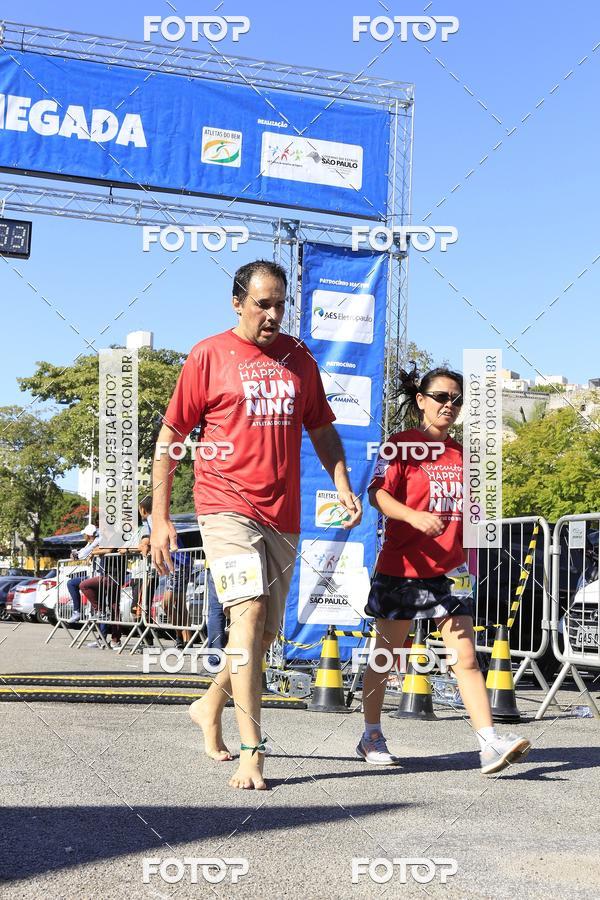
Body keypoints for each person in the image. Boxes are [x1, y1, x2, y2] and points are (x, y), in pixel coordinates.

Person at [152, 259, 362, 789]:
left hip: (282, 514)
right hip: (224, 504)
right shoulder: (208, 355)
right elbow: (171, 437)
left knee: (264, 634)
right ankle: (253, 749)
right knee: (247, 617)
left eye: (280, 305)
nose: (272, 315)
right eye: (262, 304)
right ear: (237, 303)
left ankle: (209, 703)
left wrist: (341, 482)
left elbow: (322, 429)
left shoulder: (298, 358)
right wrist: (159, 516)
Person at [358, 366, 532, 775]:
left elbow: (476, 515)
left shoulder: (465, 456)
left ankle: (488, 743)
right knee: (386, 656)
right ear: (421, 400)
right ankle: (371, 735)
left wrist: (472, 556)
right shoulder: (400, 445)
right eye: (440, 397)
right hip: (403, 566)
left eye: (456, 399)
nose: (449, 405)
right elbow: (377, 494)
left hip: (450, 572)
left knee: (466, 657)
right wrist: (413, 516)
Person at [66, 524, 99, 624]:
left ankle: (81, 611)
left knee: (73, 583)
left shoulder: (97, 541)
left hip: (98, 575)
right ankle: (77, 611)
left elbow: (83, 554)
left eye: (84, 534)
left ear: (88, 535)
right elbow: (82, 552)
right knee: (71, 583)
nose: (83, 536)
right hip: (93, 574)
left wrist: (77, 555)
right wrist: (75, 554)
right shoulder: (89, 543)